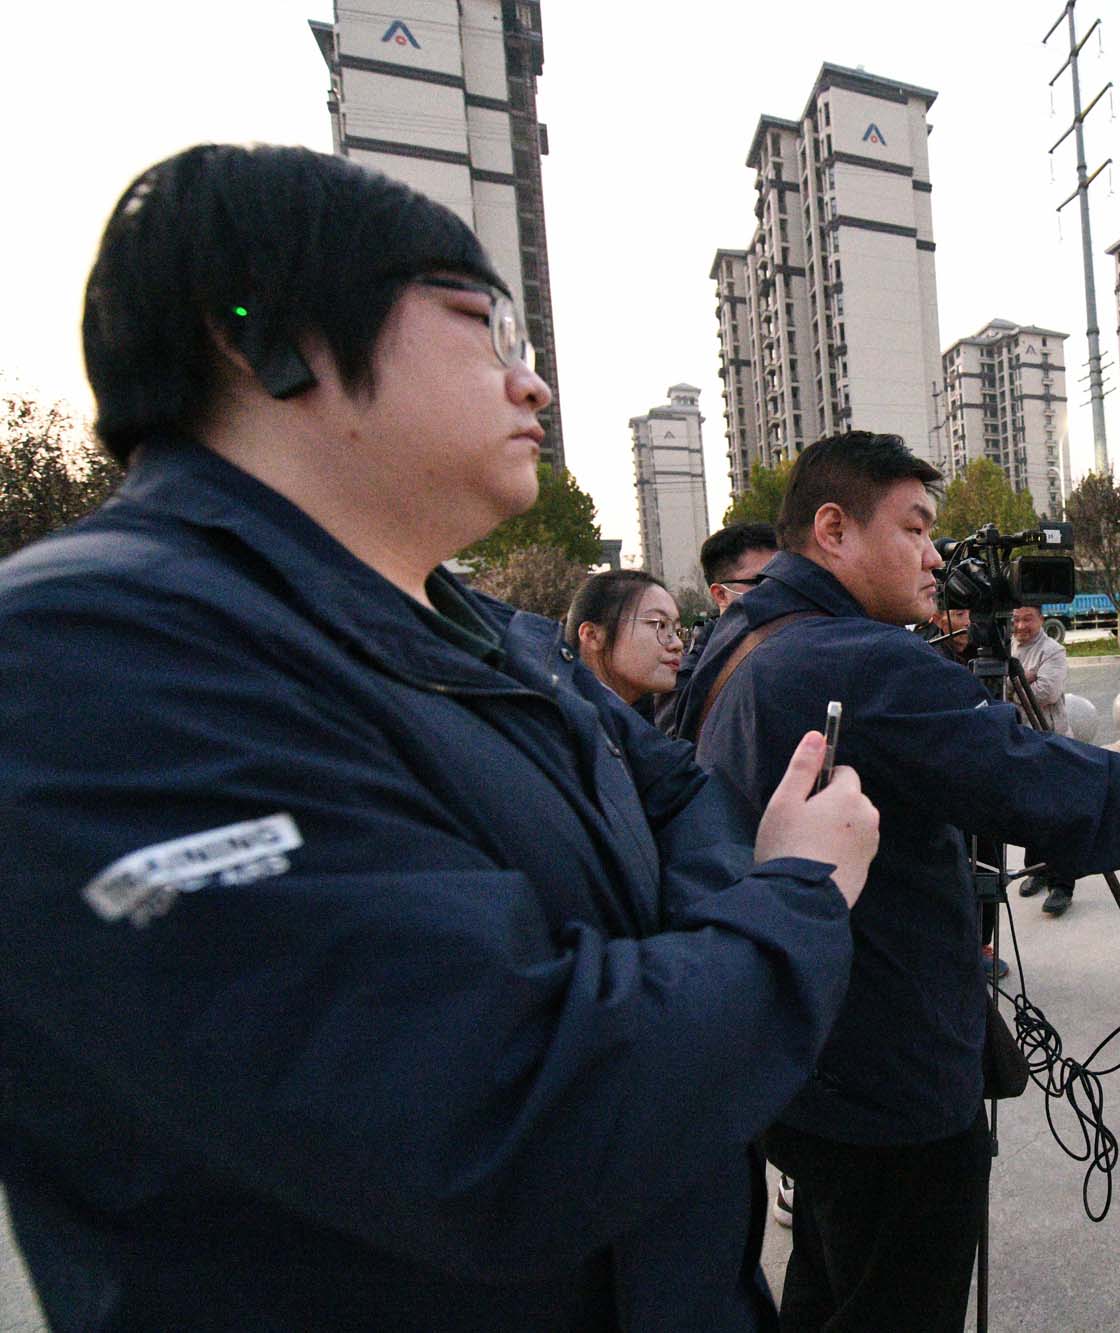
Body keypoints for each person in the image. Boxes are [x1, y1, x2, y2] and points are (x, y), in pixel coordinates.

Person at [0, 144, 882, 1331]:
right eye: (481, 326)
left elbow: (674, 793)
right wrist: (794, 897)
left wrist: (657, 977)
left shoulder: (485, 632)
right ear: (260, 334)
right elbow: (512, 1116)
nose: (533, 386)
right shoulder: (95, 658)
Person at [678, 432, 1120, 1330]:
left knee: (827, 1280)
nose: (935, 557)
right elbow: (1063, 788)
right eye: (914, 529)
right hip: (889, 1075)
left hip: (801, 1053)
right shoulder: (854, 658)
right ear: (834, 529)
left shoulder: (738, 637)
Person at [666, 522, 779, 731]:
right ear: (720, 594)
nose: (777, 591)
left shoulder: (805, 643)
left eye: (782, 579)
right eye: (761, 581)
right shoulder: (688, 677)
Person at [1007, 602, 1078, 915]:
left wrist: (1014, 686)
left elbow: (1046, 693)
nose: (1021, 626)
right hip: (1020, 740)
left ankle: (1061, 885)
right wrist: (1024, 679)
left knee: (1058, 815)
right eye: (1016, 619)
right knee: (1029, 812)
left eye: (1028, 619)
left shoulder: (1052, 651)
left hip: (1051, 740)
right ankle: (1036, 870)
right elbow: (994, 689)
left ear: (1041, 619)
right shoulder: (1007, 646)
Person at [564, 568, 683, 709]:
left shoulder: (636, 717)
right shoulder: (554, 717)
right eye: (660, 625)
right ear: (592, 635)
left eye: (678, 631)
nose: (678, 644)